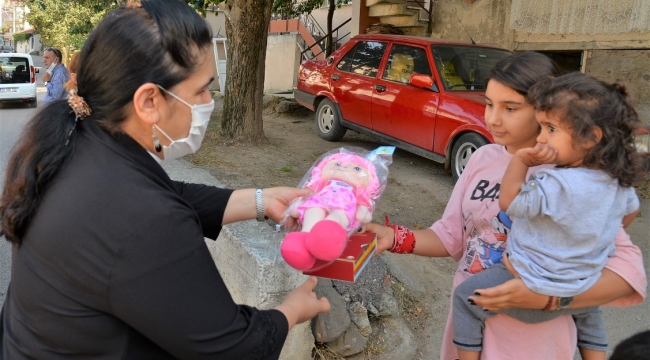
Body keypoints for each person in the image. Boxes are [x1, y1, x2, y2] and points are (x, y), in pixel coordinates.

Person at [0, 0, 330, 359]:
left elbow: (170, 193)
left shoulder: (80, 145)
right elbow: (233, 348)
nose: (208, 102)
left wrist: (262, 201)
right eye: (201, 90)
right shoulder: (140, 216)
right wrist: (293, 310)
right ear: (149, 102)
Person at [364, 51, 646, 360]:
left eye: (510, 108)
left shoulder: (575, 180)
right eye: (489, 104)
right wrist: (395, 237)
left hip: (534, 341)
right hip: (469, 328)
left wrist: (548, 299)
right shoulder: (483, 158)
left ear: (545, 109)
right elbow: (453, 235)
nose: (492, 118)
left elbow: (625, 276)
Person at [452, 72, 643, 360]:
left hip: (526, 280)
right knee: (590, 313)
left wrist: (520, 161)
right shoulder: (616, 183)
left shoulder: (555, 183)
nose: (541, 137)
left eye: (550, 129)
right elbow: (631, 211)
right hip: (579, 287)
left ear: (591, 137)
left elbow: (510, 202)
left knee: (465, 300)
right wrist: (592, 240)